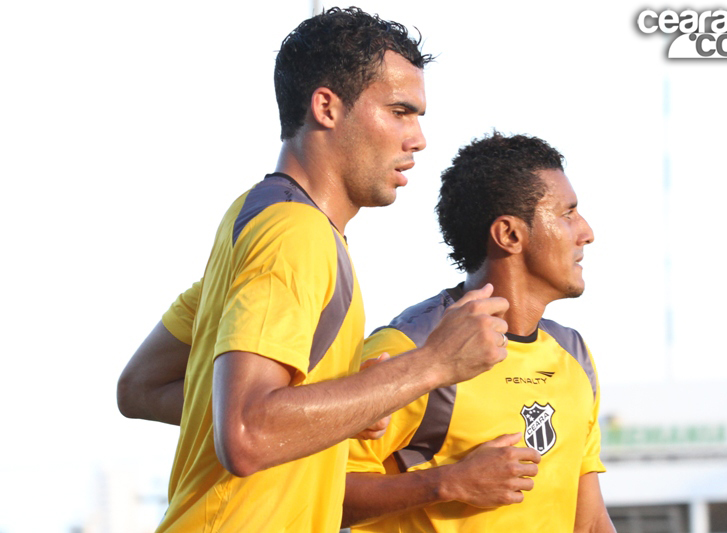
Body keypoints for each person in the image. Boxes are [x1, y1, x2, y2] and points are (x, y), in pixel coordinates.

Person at [117, 8, 511, 532]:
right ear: (326, 106)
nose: (417, 139)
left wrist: (345, 403)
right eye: (399, 111)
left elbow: (142, 385)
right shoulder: (293, 236)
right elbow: (246, 433)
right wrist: (430, 365)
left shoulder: (252, 217)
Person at [343, 133, 616, 532]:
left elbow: (589, 521)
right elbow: (322, 493)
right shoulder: (410, 349)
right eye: (568, 214)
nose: (586, 232)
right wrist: (447, 483)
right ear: (509, 235)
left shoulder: (574, 355)